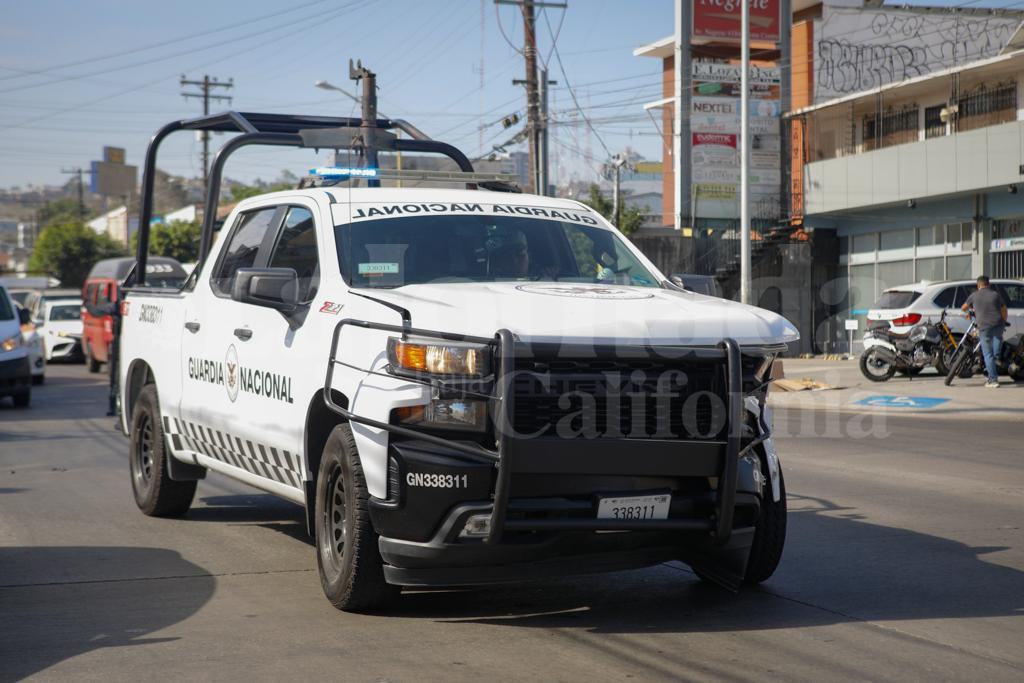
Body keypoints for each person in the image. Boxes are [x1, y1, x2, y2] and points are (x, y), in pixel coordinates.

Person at [961, 275, 1008, 388]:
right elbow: (1004, 309)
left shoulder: (974, 295)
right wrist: (1004, 320)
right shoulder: (995, 295)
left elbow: (963, 308)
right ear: (988, 284)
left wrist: (968, 314)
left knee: (987, 354)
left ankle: (993, 380)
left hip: (984, 327)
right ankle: (997, 358)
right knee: (997, 342)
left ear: (978, 285)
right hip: (998, 324)